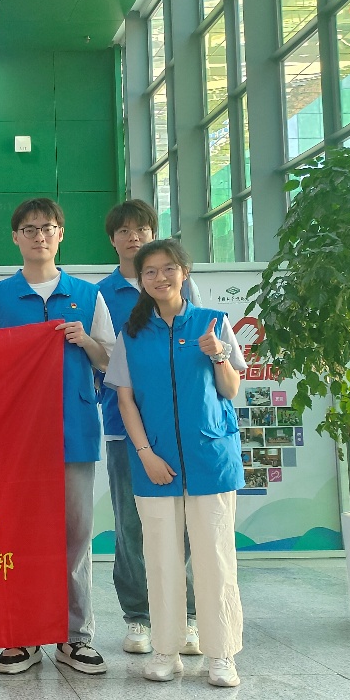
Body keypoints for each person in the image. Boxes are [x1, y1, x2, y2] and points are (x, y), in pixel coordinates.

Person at [0, 197, 113, 677]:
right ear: (15, 237)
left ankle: (77, 637)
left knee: (76, 538)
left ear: (61, 234)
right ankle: (22, 635)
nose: (39, 236)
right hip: (17, 441)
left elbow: (110, 361)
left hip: (75, 432)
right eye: (29, 229)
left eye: (47, 227)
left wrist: (86, 340)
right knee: (20, 537)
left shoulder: (88, 296)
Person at [104, 239, 246, 688]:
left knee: (215, 559)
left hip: (211, 459)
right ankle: (166, 650)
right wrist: (145, 454)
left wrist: (218, 354)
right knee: (161, 560)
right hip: (156, 465)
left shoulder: (212, 322)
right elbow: (125, 400)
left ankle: (221, 654)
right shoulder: (131, 334)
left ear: (184, 272)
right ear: (141, 280)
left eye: (168, 268)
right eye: (150, 271)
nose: (160, 277)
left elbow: (231, 389)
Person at [97, 200, 201, 656]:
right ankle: (138, 617)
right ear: (112, 239)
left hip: (178, 429)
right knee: (131, 525)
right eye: (123, 230)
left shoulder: (182, 287)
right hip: (124, 428)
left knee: (187, 525)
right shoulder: (100, 294)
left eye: (141, 228)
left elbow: (197, 354)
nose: (133, 236)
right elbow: (103, 360)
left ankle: (188, 616)